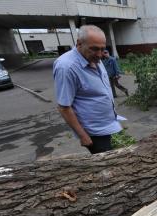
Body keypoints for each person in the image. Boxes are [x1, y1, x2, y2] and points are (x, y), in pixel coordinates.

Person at [53, 25, 124, 154]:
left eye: (102, 49)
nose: (99, 54)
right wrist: (83, 136)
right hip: (94, 132)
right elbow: (64, 107)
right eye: (94, 49)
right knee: (106, 166)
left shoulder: (94, 57)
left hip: (107, 125)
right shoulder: (66, 67)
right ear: (79, 43)